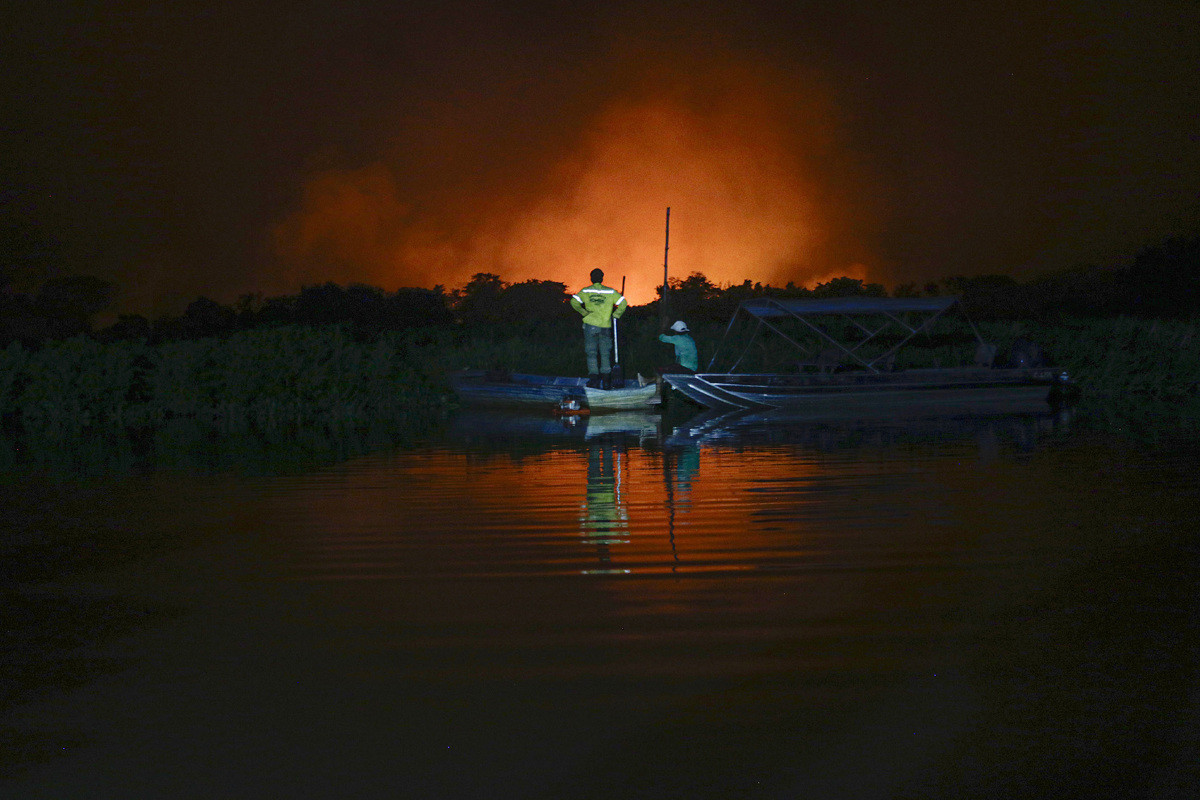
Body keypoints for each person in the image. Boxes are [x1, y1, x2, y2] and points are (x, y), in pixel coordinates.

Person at [570, 268, 627, 389]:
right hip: (605, 326)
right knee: (605, 354)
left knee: (591, 353)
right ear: (602, 278)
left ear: (591, 278)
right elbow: (623, 303)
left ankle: (594, 381)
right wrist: (616, 315)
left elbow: (573, 302)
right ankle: (606, 382)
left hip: (590, 326)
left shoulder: (586, 291)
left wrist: (584, 312)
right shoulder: (610, 292)